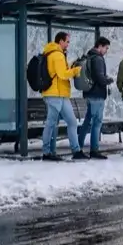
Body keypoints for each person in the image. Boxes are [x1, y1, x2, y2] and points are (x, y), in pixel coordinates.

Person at [41, 31, 87, 161]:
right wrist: (75, 70)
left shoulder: (57, 54)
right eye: (67, 41)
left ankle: (76, 150)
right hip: (54, 94)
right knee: (51, 123)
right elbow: (62, 74)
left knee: (72, 122)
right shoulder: (57, 55)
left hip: (61, 94)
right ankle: (47, 152)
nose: (68, 44)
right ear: (60, 41)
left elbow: (61, 72)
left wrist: (70, 67)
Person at [77, 36, 115, 159]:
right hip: (97, 95)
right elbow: (100, 78)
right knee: (96, 123)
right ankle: (94, 150)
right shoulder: (98, 59)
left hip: (89, 93)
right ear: (100, 46)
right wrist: (109, 80)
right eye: (106, 48)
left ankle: (79, 146)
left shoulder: (89, 56)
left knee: (88, 121)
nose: (106, 51)